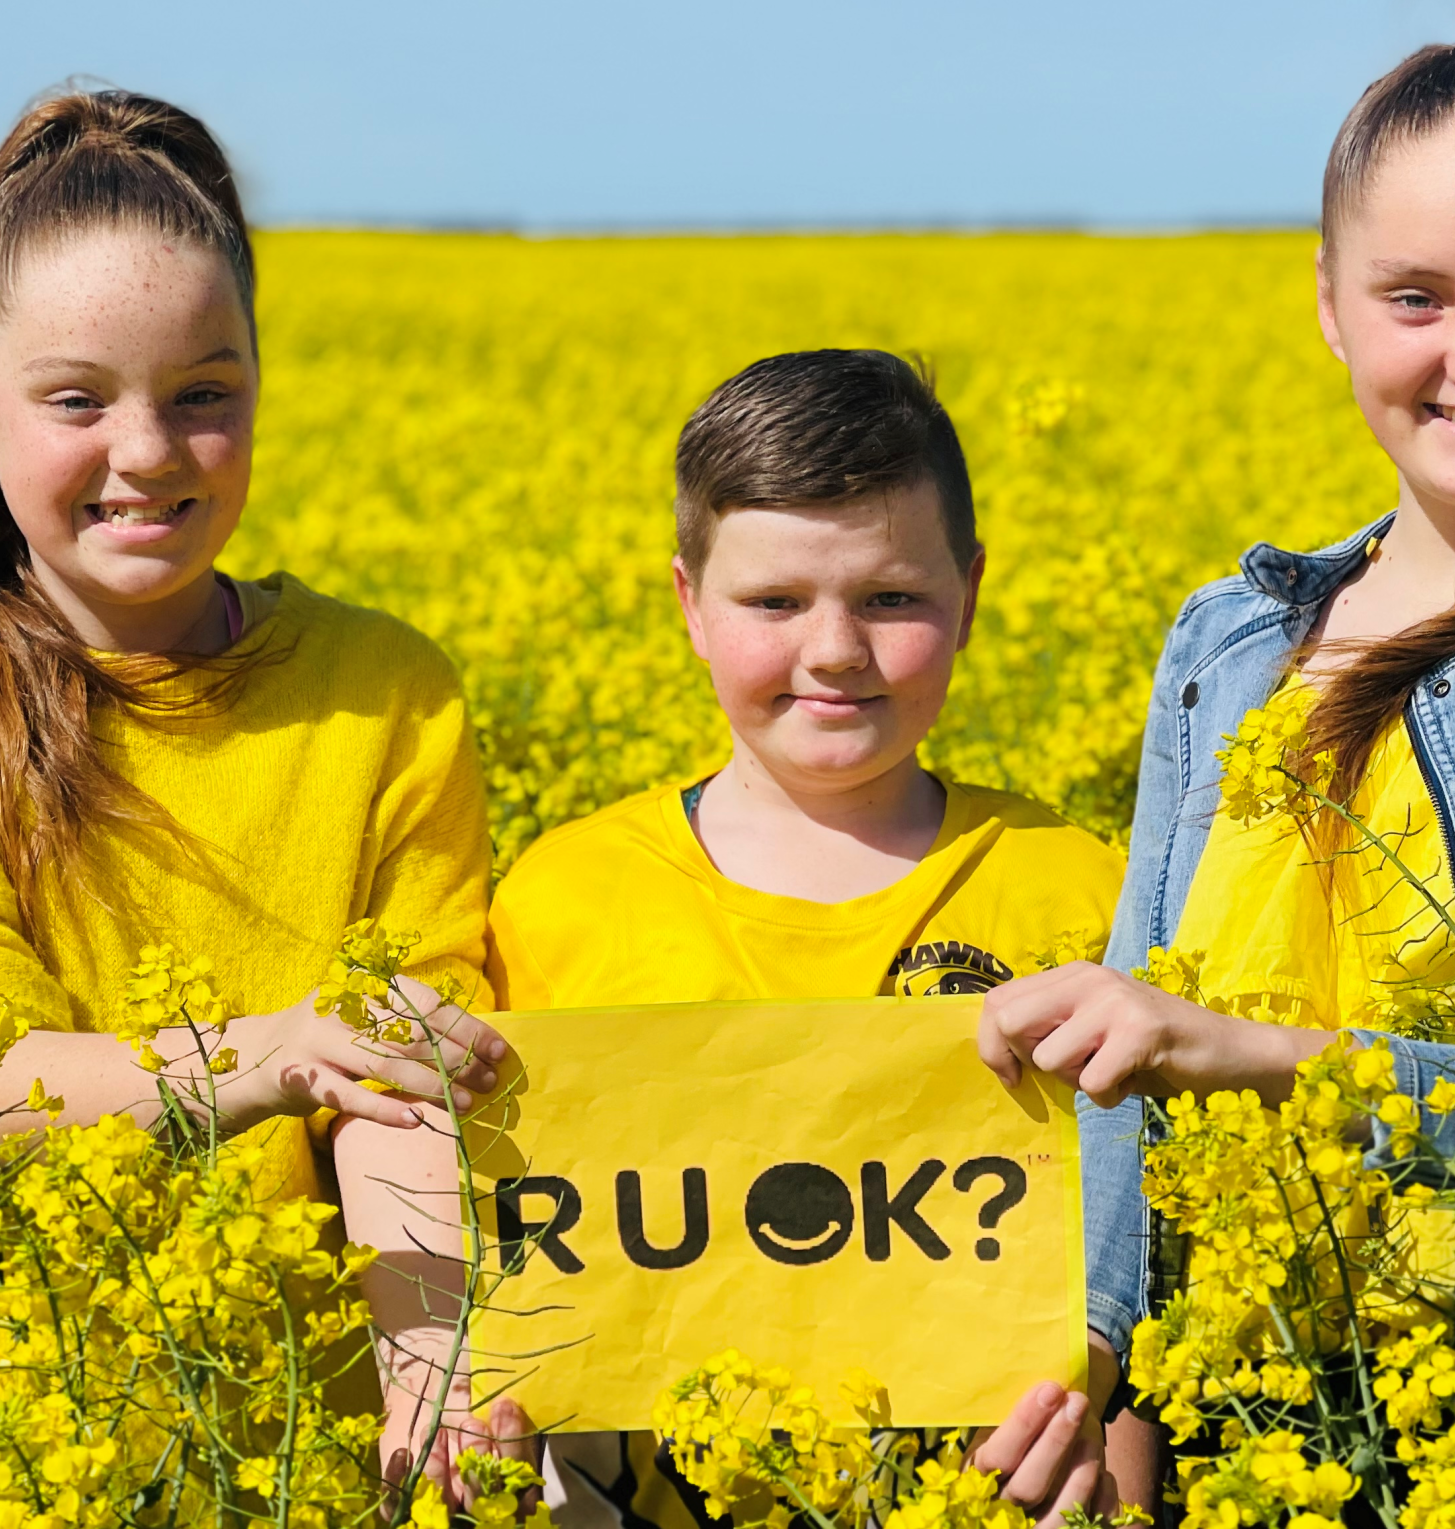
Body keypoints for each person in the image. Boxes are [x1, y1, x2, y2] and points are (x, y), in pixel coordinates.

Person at [978, 0, 1455, 1465]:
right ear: (1328, 301)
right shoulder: (1225, 645)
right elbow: (1128, 1061)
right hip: (1225, 1442)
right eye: (1418, 298)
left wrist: (1258, 1060)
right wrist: (1102, 1374)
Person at [340, 348, 1157, 1526]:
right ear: (687, 602)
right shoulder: (564, 898)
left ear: (970, 593)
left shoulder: (1072, 888)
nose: (833, 650)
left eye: (890, 598)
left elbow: (1132, 1265)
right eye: (774, 603)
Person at [0, 88, 506, 1218]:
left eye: (202, 393)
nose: (149, 452)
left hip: (337, 1396)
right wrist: (266, 1056)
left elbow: (415, 1091)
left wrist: (435, 1380)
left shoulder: (387, 692)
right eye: (77, 400)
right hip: (1, 1381)